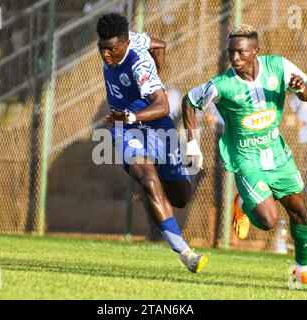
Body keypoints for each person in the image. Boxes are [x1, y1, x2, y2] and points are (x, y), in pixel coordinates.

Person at [181, 24, 307, 285]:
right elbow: (189, 100)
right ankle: (243, 204)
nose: (235, 58)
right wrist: (192, 145)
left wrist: (301, 88)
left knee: (300, 211)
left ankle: (302, 270)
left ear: (256, 51)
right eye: (231, 52)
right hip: (245, 158)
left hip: (277, 154)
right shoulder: (222, 84)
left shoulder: (279, 67)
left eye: (241, 52)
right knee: (269, 220)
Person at [96, 13, 207, 273]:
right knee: (147, 178)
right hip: (125, 129)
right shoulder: (129, 39)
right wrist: (126, 119)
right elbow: (160, 44)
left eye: (111, 50)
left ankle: (164, 185)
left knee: (180, 196)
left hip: (156, 127)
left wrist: (148, 83)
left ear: (124, 44)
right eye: (101, 48)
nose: (105, 55)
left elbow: (163, 104)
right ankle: (185, 253)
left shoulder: (138, 65)